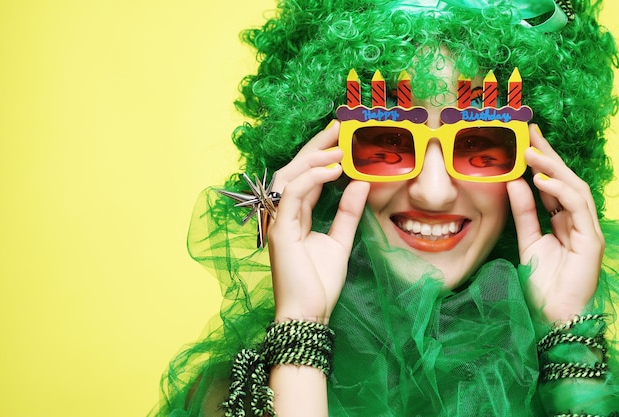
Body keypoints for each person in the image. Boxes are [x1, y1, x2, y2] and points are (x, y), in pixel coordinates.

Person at [149, 0, 619, 415]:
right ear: (327, 158)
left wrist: (568, 342)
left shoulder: (596, 382)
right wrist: (300, 331)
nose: (432, 192)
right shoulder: (236, 398)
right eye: (386, 141)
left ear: (540, 166)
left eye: (481, 143)